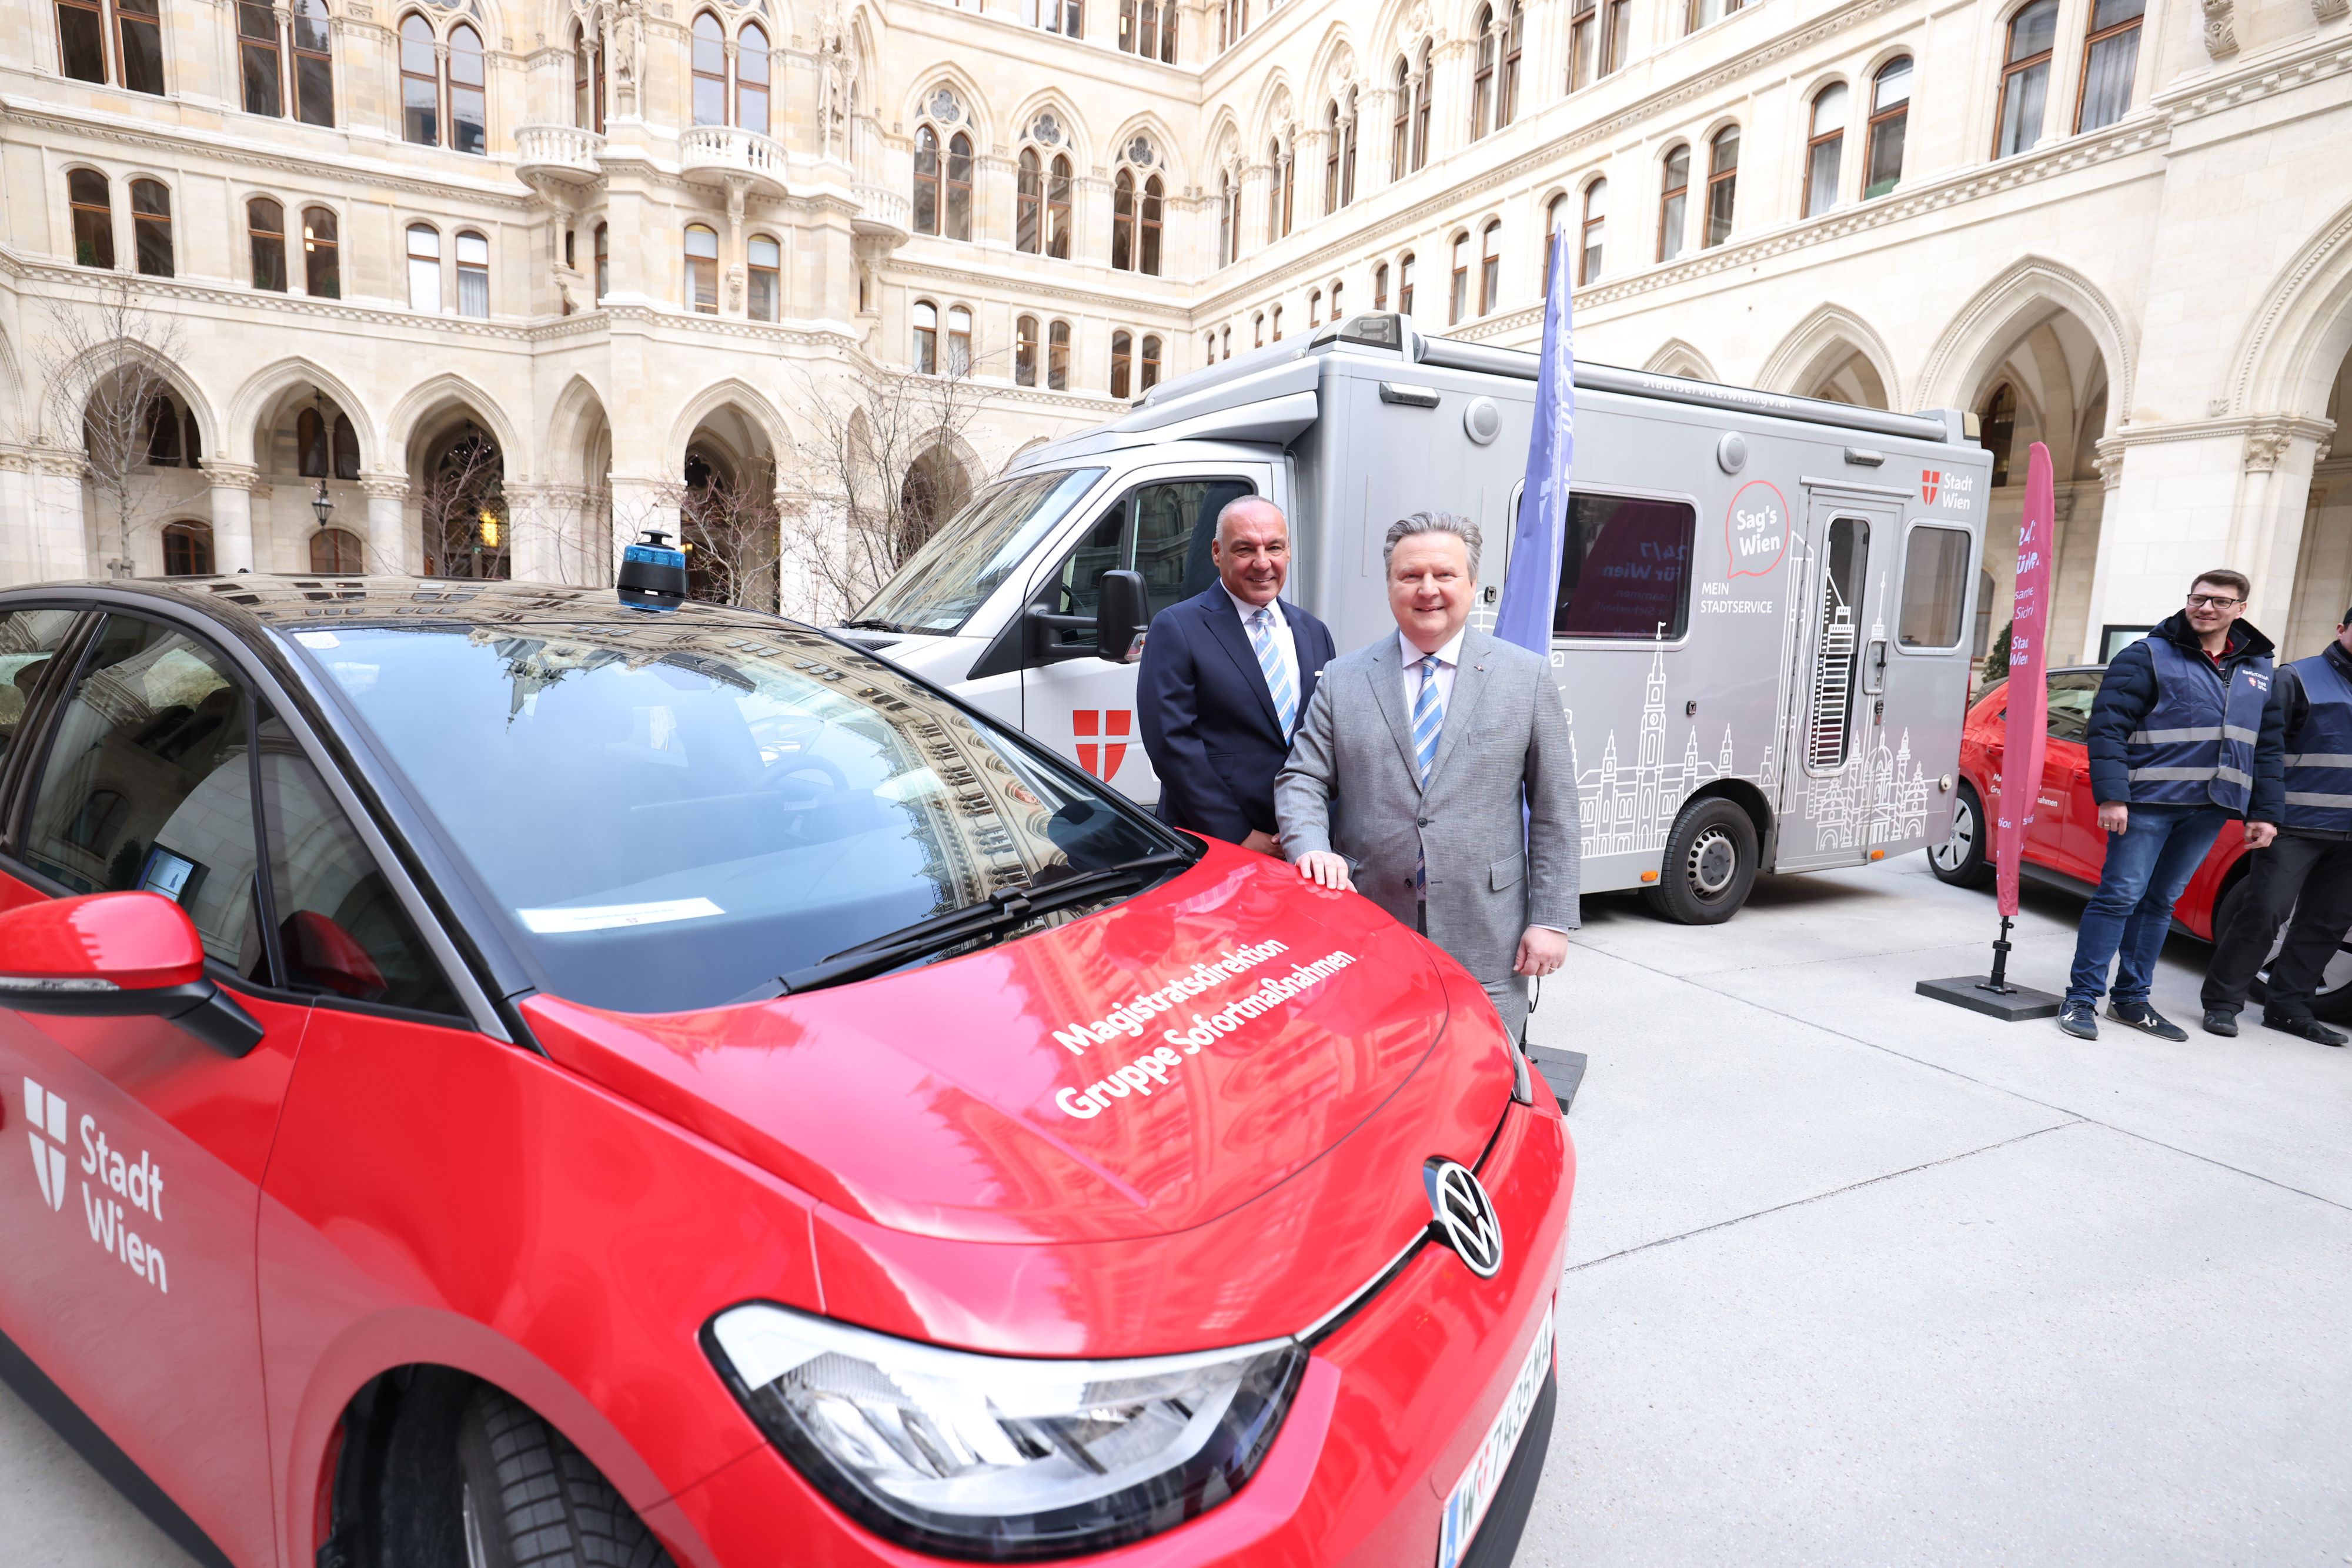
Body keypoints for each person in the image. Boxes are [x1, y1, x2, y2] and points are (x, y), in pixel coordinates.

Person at [1275, 512, 1578, 1038]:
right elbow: (1301, 778)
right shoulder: (1343, 679)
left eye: (1445, 574)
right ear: (1390, 585)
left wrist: (1550, 919)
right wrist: (1311, 848)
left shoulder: (1525, 678)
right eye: (1411, 575)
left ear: (1473, 584)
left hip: (1487, 935)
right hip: (1368, 924)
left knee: (1481, 1071)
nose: (1428, 589)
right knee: (1377, 1065)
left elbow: (1555, 810)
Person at [2060, 569, 2283, 1041]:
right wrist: (2113, 795)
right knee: (2120, 897)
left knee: (2161, 902)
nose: (2206, 608)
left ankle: (2131, 1000)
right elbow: (2108, 727)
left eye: (2220, 601)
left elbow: (2266, 746)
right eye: (2199, 598)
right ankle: (2081, 998)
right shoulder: (2147, 655)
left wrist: (2265, 812)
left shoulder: (2260, 669)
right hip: (2147, 803)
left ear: (2241, 609)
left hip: (2211, 807)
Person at [1136, 496, 1337, 853]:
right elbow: (1171, 745)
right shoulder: (1176, 626)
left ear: (1288, 551)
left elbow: (1326, 741)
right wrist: (1239, 834)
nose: (1263, 563)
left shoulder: (1313, 631)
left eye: (1274, 547)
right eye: (1245, 549)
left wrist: (1314, 829)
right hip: (1212, 845)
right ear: (1217, 552)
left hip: (1303, 842)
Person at [2199, 611, 2352, 1045]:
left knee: (2327, 923)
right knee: (2265, 911)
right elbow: (2263, 750)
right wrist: (2262, 813)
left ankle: (2288, 1008)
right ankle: (2222, 1003)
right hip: (2295, 825)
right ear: (2341, 630)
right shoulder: (2296, 678)